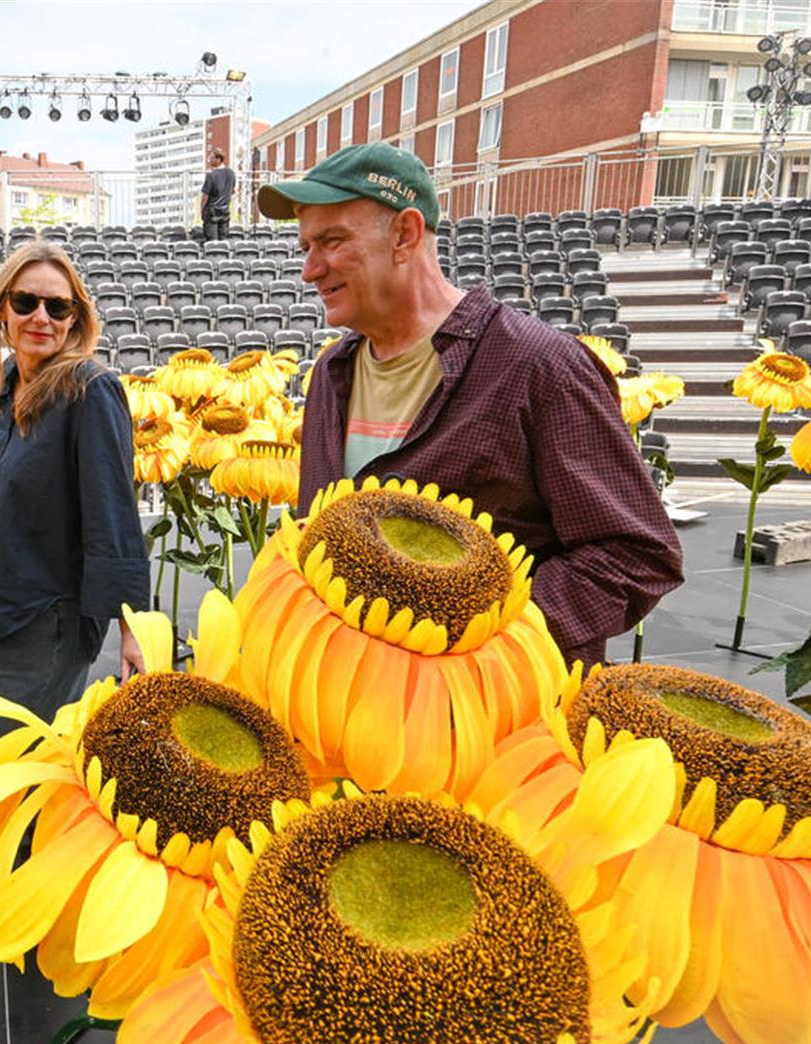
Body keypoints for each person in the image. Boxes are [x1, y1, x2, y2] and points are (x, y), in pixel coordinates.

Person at [257, 144, 683, 663]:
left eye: (332, 241)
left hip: (496, 721)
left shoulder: (539, 366)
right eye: (306, 247)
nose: (309, 270)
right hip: (358, 709)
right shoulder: (331, 372)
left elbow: (635, 555)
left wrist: (487, 637)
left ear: (405, 236)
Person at [0, 242, 150, 777]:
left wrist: (133, 629)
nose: (41, 317)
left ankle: (25, 858)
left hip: (48, 620)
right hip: (0, 613)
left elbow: (114, 513)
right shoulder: (9, 394)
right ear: (2, 311)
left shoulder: (91, 390)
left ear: (75, 319)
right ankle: (34, 860)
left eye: (57, 307)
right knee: (32, 776)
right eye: (26, 302)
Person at [199, 150, 234, 241]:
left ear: (219, 159)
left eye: (212, 158)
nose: (210, 160)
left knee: (212, 242)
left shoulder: (211, 175)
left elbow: (205, 196)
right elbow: (233, 190)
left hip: (212, 211)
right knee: (224, 240)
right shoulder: (231, 173)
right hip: (225, 210)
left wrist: (202, 209)